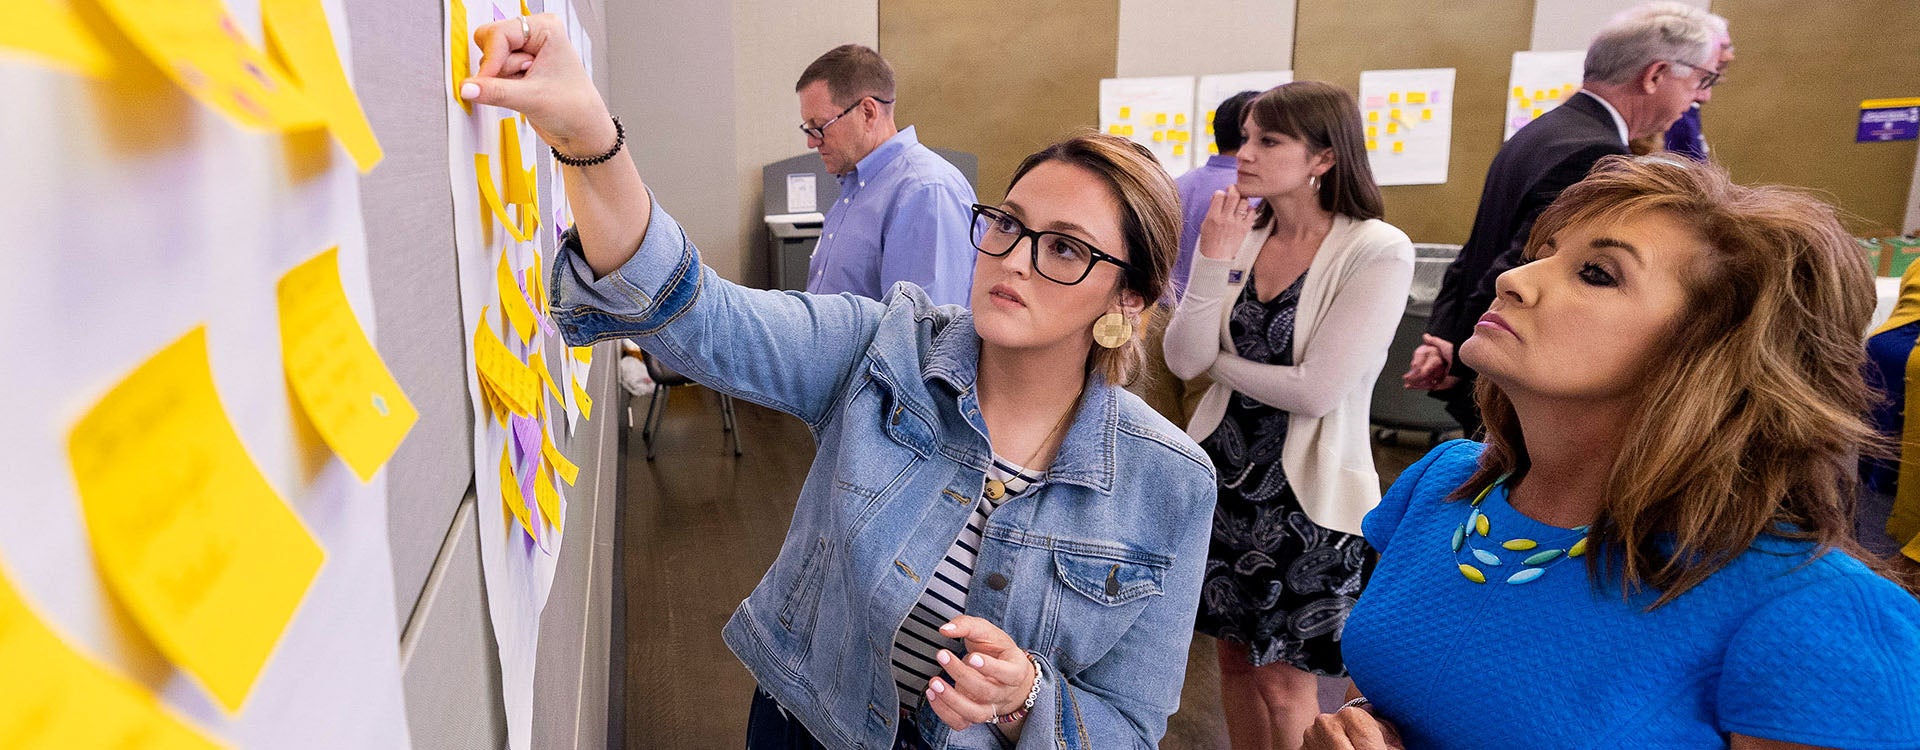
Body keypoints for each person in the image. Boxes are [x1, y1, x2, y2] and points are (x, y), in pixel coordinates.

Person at [458, 16, 1215, 748]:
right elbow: (702, 318)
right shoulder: (883, 347)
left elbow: (1129, 724)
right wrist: (587, 135)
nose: (1014, 258)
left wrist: (1026, 700)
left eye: (1066, 250)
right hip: (807, 727)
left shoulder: (1168, 482)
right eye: (1009, 224)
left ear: (1130, 300)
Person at [1310, 155, 1920, 750]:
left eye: (1597, 273)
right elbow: (1408, 690)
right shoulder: (1444, 484)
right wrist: (1357, 723)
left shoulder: (1815, 611)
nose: (1512, 279)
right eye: (1540, 255)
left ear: (1710, 351)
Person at [1163, 81, 1413, 750]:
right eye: (1245, 137)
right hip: (1223, 481)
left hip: (1309, 498)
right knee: (1235, 667)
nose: (1244, 154)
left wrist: (1221, 363)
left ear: (1324, 158)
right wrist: (1213, 255)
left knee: (1286, 684)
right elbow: (1183, 356)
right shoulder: (1243, 235)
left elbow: (1316, 391)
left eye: (1267, 140)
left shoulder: (1377, 249)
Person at [1404, 1, 1720, 436]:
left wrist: (1445, 337)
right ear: (1655, 75)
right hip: (1512, 373)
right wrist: (1460, 351)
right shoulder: (1598, 154)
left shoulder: (1544, 129)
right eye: (1702, 80)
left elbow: (1475, 247)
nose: (1702, 96)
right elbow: (1517, 261)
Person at [796, 44, 977, 306]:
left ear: (868, 113)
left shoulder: (925, 191)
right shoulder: (857, 186)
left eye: (819, 127)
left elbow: (924, 333)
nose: (812, 143)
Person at [1131, 90, 1261, 428]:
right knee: (1204, 431)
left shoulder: (1176, 185)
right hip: (1211, 323)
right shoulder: (1252, 195)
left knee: (1161, 427)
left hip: (1161, 319)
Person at [1662, 11, 1733, 161]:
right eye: (1724, 47)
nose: (1729, 56)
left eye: (1730, 47)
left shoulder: (1688, 102)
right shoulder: (1673, 107)